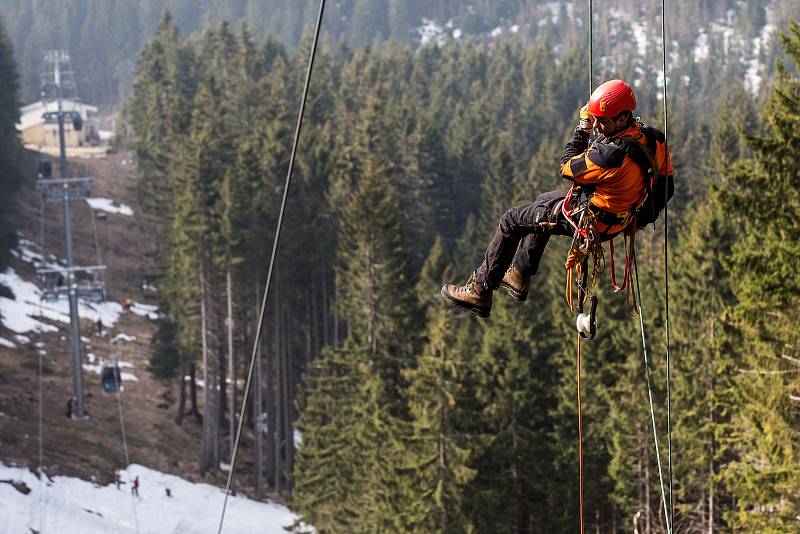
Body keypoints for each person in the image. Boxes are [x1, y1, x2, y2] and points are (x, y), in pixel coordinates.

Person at [441, 79, 674, 318]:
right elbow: (666, 186)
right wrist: (638, 217)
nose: (598, 127)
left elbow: (566, 166)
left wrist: (583, 128)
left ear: (623, 118)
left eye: (602, 122)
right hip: (618, 219)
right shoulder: (654, 139)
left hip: (592, 221)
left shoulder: (608, 156)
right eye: (596, 122)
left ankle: (480, 289)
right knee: (545, 201)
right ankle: (520, 274)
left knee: (511, 221)